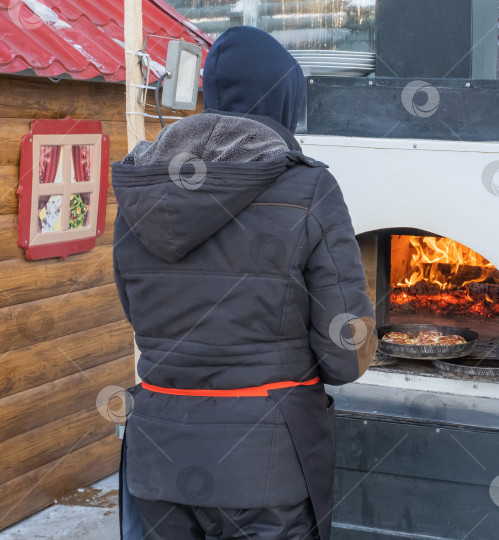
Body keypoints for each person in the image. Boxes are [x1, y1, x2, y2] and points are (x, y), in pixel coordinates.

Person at [112, 26, 377, 540]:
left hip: (159, 460)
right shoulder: (309, 187)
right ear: (284, 99)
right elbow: (345, 354)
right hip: (266, 473)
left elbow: (136, 311)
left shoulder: (140, 185)